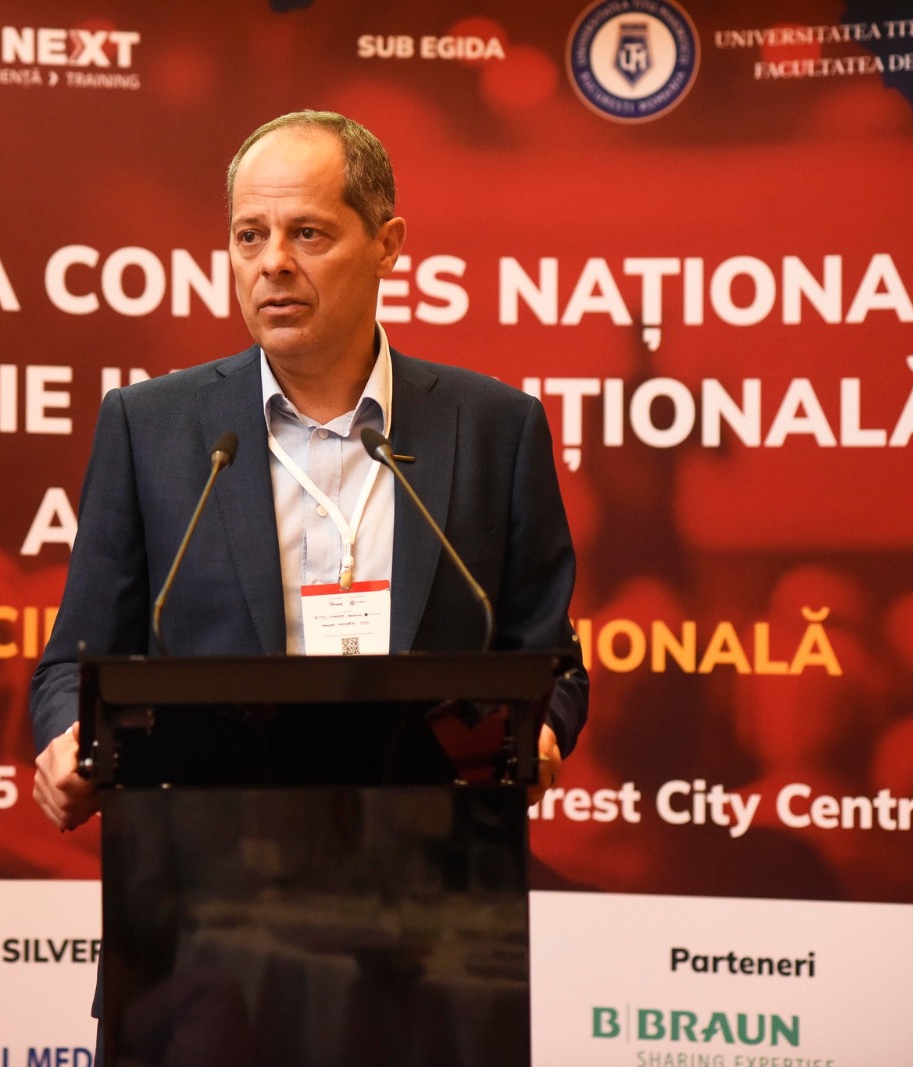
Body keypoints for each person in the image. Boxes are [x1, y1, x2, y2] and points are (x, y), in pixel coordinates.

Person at [30, 109, 588, 831]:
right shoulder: (151, 428)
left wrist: (542, 732)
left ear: (387, 245)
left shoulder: (495, 428)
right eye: (249, 235)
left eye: (308, 233)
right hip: (206, 861)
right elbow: (73, 664)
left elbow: (551, 661)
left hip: (434, 857)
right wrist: (67, 743)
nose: (273, 263)